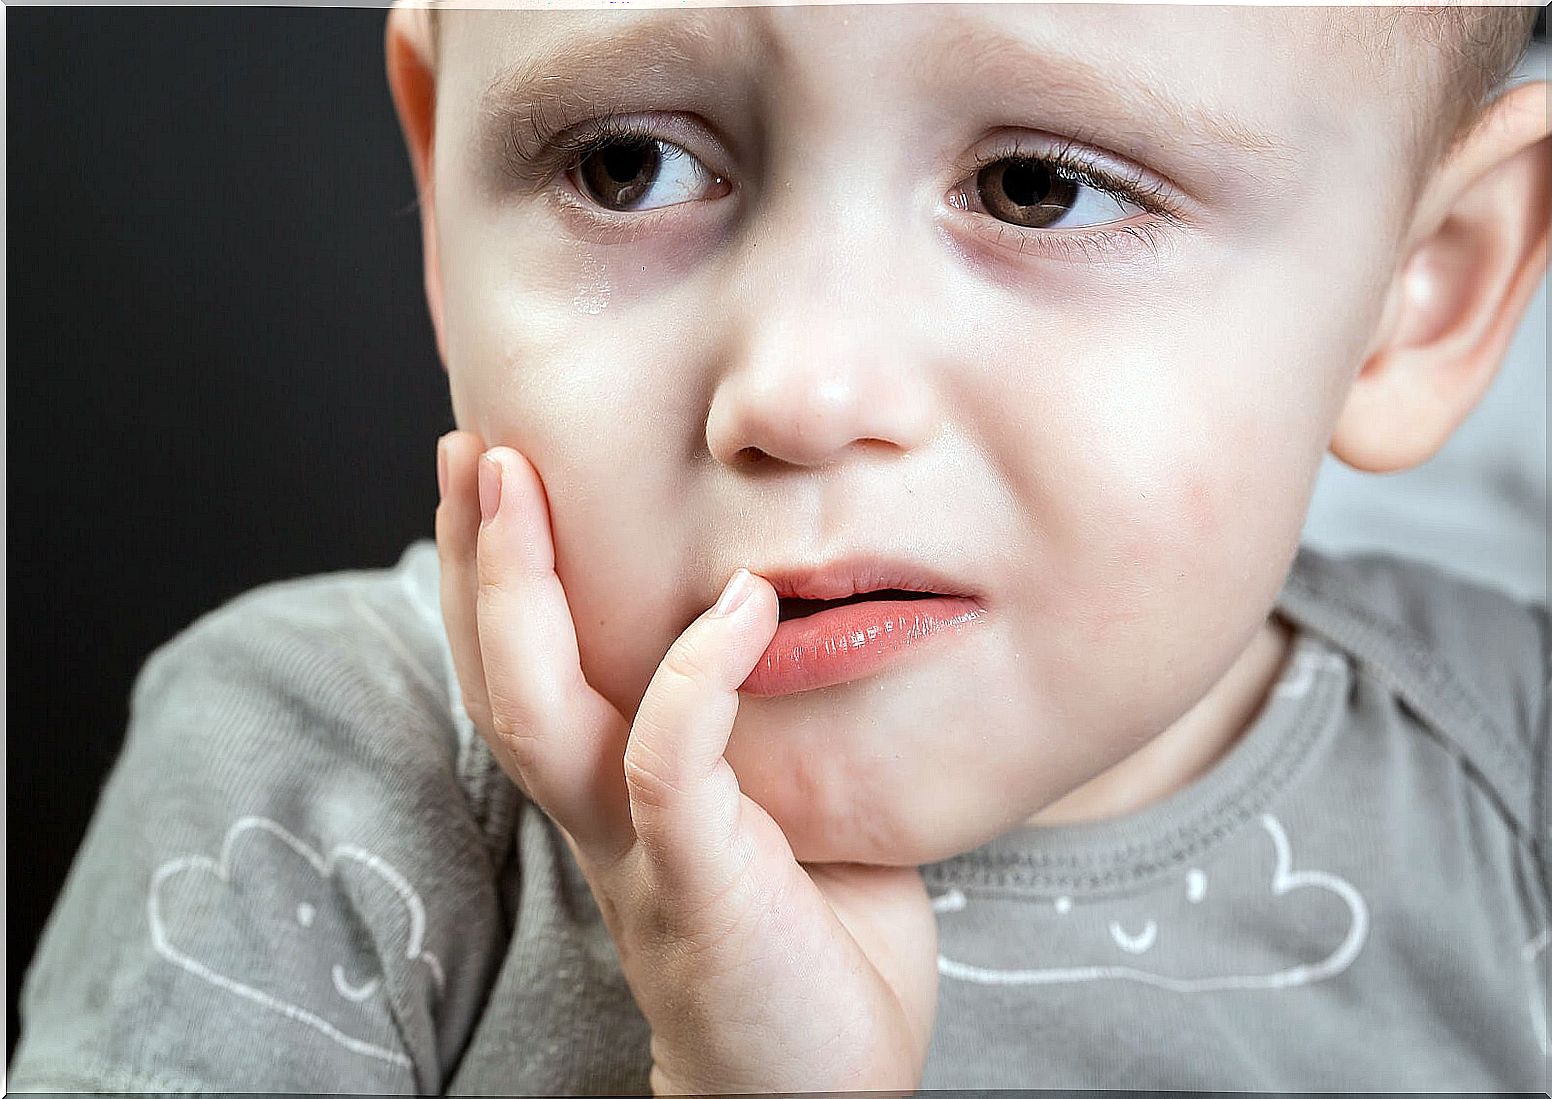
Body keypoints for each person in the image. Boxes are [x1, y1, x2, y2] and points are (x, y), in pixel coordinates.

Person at [9, 2, 1549, 1091]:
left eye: (1040, 187)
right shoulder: (315, 784)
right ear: (436, 178)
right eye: (627, 165)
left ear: (1428, 284)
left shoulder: (1516, 788)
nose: (800, 393)